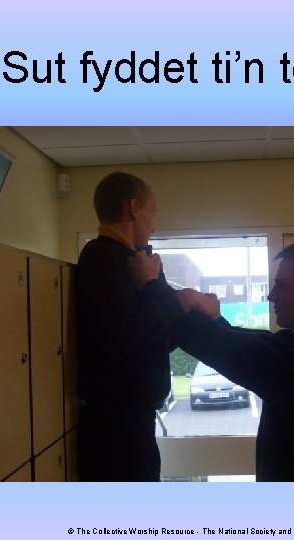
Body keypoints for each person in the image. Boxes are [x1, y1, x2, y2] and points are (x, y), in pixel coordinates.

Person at [129, 239, 294, 481]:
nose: (271, 295)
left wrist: (150, 285)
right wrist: (214, 317)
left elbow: (216, 344)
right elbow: (240, 343)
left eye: (281, 286)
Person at [75, 171, 182, 481]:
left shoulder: (135, 260)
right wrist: (153, 286)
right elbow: (130, 344)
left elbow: (166, 336)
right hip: (115, 431)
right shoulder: (103, 260)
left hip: (134, 423)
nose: (154, 225)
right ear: (135, 208)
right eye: (153, 212)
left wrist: (155, 286)